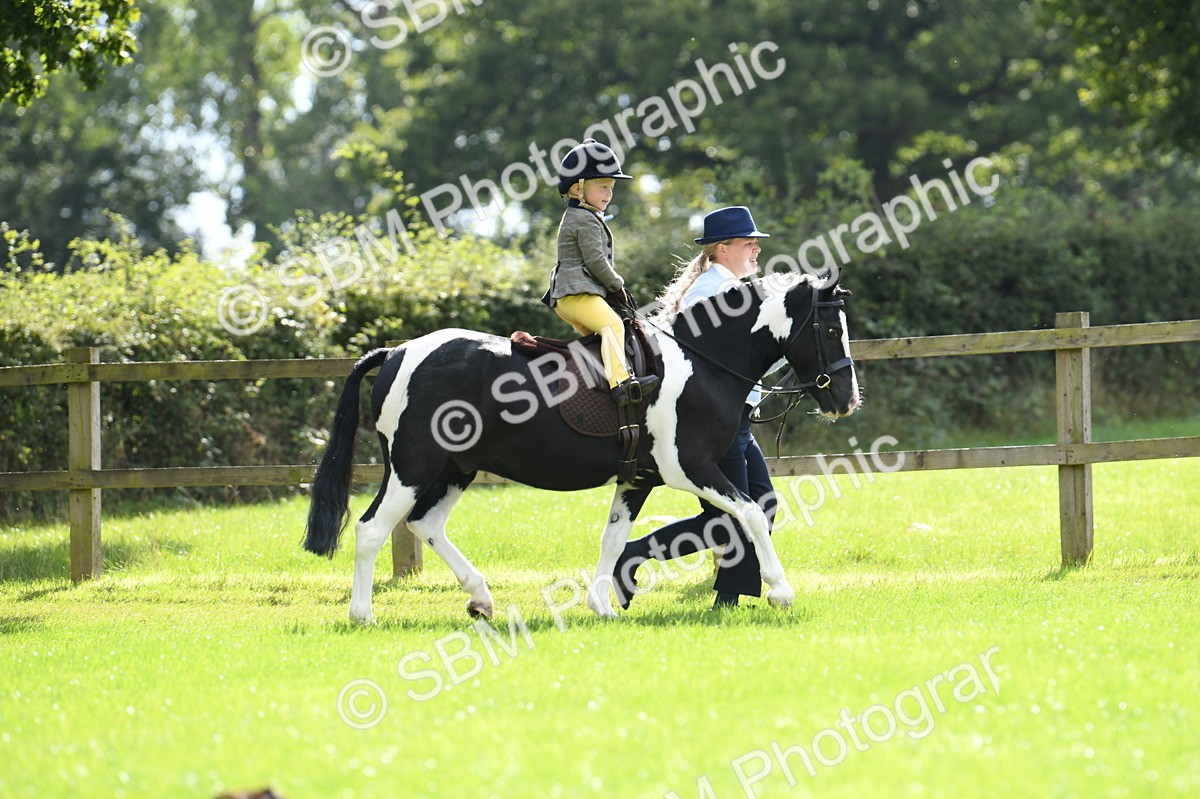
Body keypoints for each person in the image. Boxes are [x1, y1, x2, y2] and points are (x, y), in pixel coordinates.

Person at [614, 206, 779, 609]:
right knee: (737, 513)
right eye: (747, 243)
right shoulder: (714, 292)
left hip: (735, 417)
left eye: (756, 243)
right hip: (714, 421)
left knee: (763, 504)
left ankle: (633, 555)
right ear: (723, 249)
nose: (756, 250)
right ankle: (725, 600)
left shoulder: (729, 287)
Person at [542, 138, 658, 405]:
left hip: (577, 293)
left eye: (612, 188)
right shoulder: (582, 219)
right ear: (577, 188)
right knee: (612, 326)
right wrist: (618, 285)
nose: (609, 194)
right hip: (575, 293)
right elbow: (596, 261)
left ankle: (594, 388)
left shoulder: (586, 216)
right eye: (603, 187)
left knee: (601, 341)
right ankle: (622, 385)